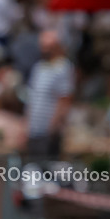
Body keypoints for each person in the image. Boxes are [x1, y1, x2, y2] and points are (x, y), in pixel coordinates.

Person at [26, 30, 75, 160]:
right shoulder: (38, 67)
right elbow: (32, 98)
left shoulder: (62, 67)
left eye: (49, 46)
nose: (45, 50)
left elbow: (64, 99)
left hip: (49, 131)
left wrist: (54, 127)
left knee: (48, 169)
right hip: (34, 130)